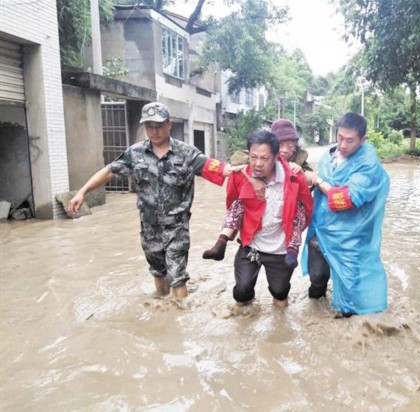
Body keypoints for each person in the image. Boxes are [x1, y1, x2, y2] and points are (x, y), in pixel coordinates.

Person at [68, 102, 238, 299]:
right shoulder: (136, 153)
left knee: (177, 276)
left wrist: (244, 170)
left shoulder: (186, 153)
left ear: (168, 124)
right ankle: (162, 312)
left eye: (158, 126)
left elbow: (217, 168)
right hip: (149, 227)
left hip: (177, 226)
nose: (154, 131)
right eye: (149, 127)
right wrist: (82, 192)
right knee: (158, 272)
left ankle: (179, 318)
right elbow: (109, 172)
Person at [302, 112, 390, 316]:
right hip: (320, 231)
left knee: (351, 287)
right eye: (339, 137)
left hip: (350, 237)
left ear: (363, 139)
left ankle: (351, 322)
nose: (342, 144)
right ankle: (316, 317)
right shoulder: (329, 155)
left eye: (349, 140)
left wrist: (318, 181)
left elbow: (348, 198)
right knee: (317, 279)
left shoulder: (368, 164)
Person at [202, 119, 312, 266]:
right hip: (259, 209)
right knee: (239, 203)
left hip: (285, 211)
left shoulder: (299, 162)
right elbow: (237, 162)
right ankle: (223, 240)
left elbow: (310, 185)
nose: (285, 150)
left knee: (298, 210)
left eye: (290, 146)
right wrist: (252, 179)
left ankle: (292, 249)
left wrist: (301, 173)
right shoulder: (257, 154)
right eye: (281, 145)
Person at [226, 130, 312, 308]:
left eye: (264, 159)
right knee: (241, 292)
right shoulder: (240, 175)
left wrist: (293, 244)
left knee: (280, 293)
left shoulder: (295, 178)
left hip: (280, 250)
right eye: (253, 157)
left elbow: (305, 210)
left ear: (275, 157)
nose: (257, 164)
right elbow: (233, 203)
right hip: (251, 245)